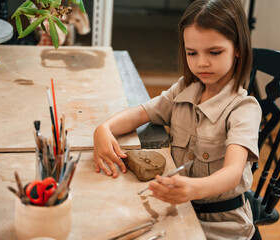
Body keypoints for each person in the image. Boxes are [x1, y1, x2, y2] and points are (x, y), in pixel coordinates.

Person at [93, 0, 261, 239]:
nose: (201, 62)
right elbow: (141, 113)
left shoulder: (244, 108)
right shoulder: (184, 89)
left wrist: (194, 188)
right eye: (192, 53)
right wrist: (104, 128)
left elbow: (233, 172)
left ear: (238, 48)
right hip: (180, 209)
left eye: (214, 52)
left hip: (223, 226)